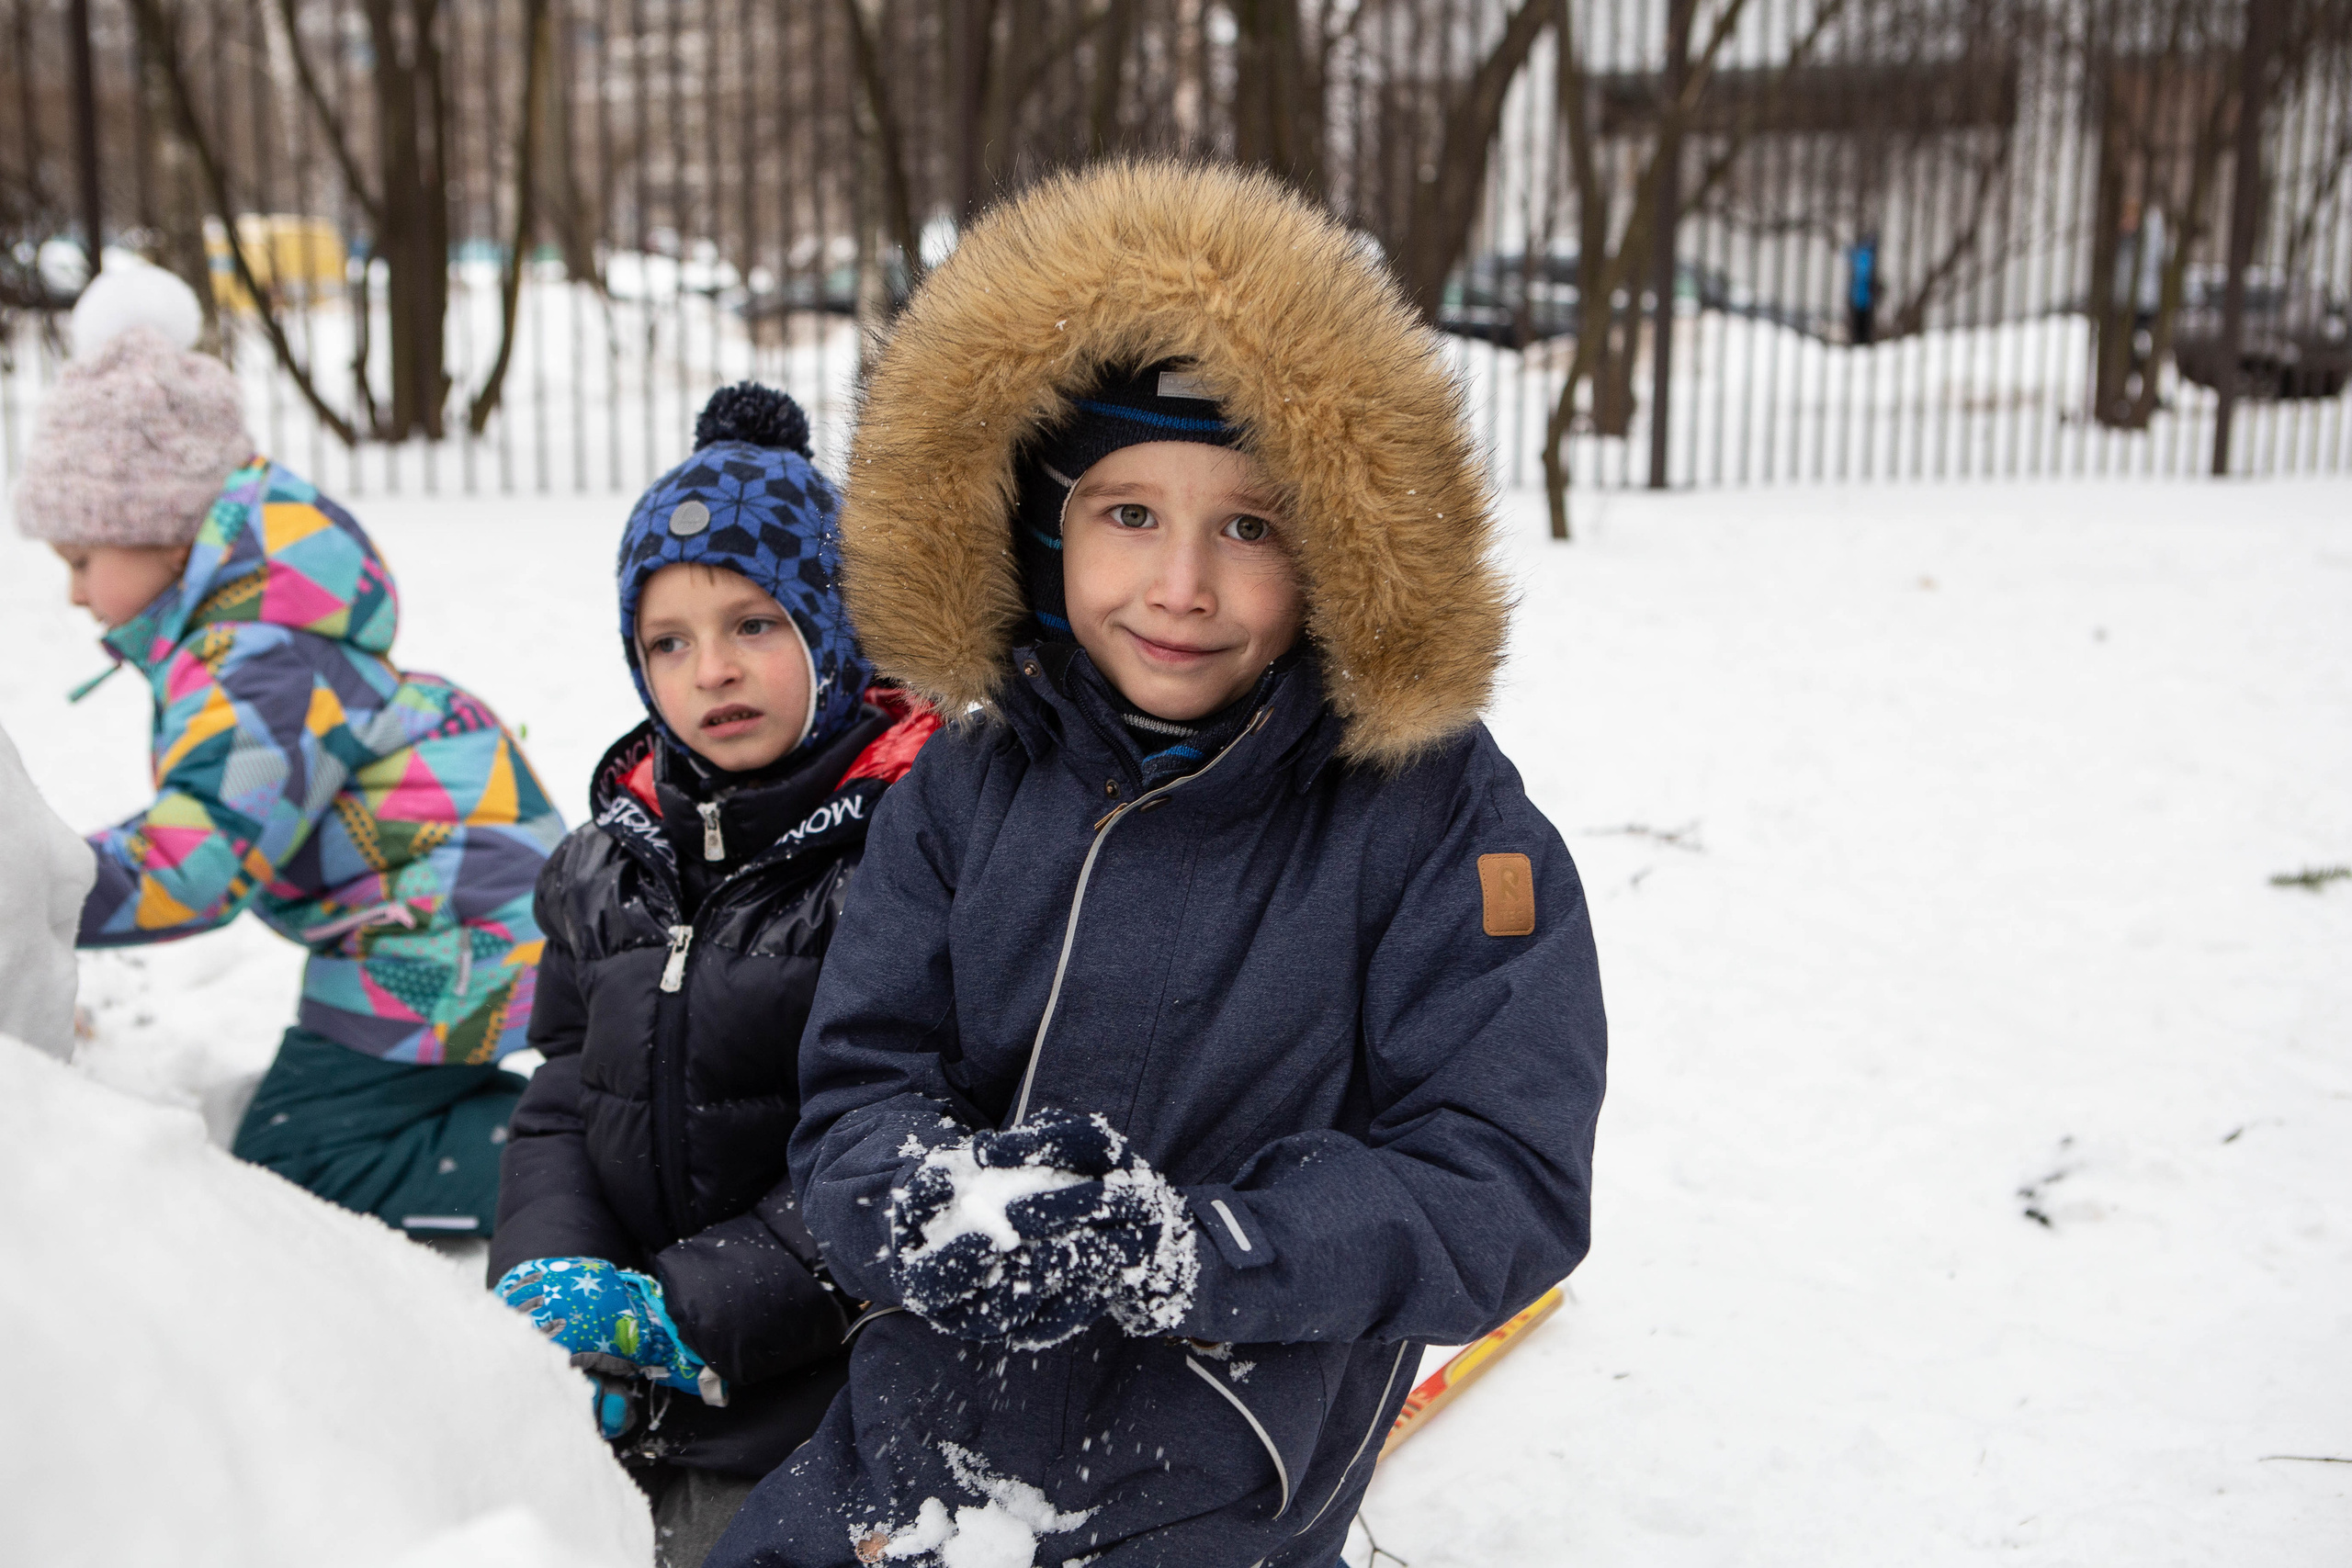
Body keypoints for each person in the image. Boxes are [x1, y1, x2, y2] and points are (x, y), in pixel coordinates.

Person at [707, 162, 1608, 1568]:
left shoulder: (1439, 825)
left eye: (1249, 526)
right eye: (1129, 513)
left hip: (1224, 1469)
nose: (1182, 585)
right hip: (919, 1435)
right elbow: (857, 1093)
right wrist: (934, 1203)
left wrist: (1190, 1245)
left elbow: (1502, 1177)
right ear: (1039, 525)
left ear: (1341, 552)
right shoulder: (967, 781)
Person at [489, 384, 938, 1568]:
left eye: (754, 625)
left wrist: (688, 1312)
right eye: (668, 643)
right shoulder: (606, 863)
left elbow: (918, 1135)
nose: (711, 673)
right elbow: (563, 1090)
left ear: (833, 626)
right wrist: (551, 1266)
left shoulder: (909, 848)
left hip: (834, 1395)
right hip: (637, 1390)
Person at [16, 264, 561, 1237]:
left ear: (155, 530)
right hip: (461, 918)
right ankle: (566, 1130)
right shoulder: (260, 630)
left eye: (80, 559)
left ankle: (591, 1170)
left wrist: (43, 890)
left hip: (442, 939)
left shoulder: (250, 659)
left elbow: (198, 866)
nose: (73, 594)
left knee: (301, 1157)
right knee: (332, 1123)